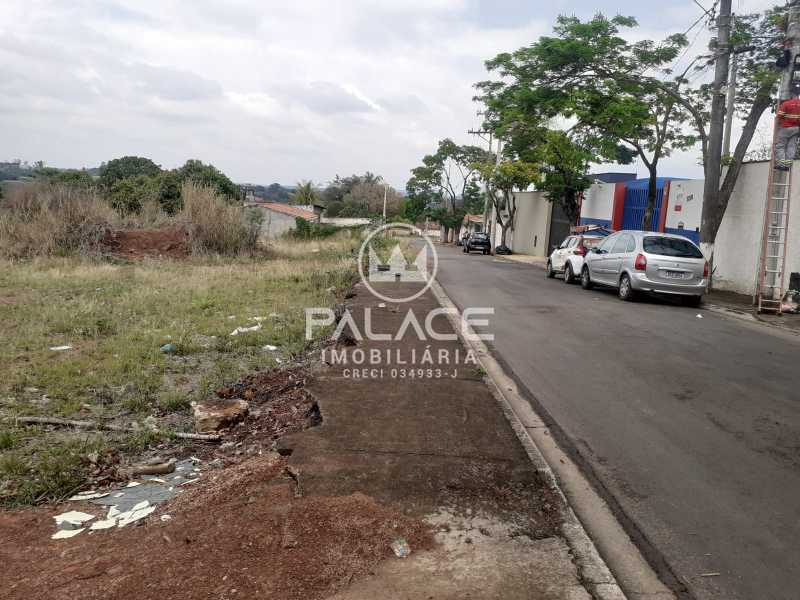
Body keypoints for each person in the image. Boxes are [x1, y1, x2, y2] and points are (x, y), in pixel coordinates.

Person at [775, 92, 800, 170]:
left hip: (785, 128)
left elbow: (779, 116)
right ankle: (787, 166)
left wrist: (778, 126)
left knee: (780, 146)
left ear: (792, 95)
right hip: (796, 129)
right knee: (791, 147)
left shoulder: (786, 104)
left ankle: (782, 165)